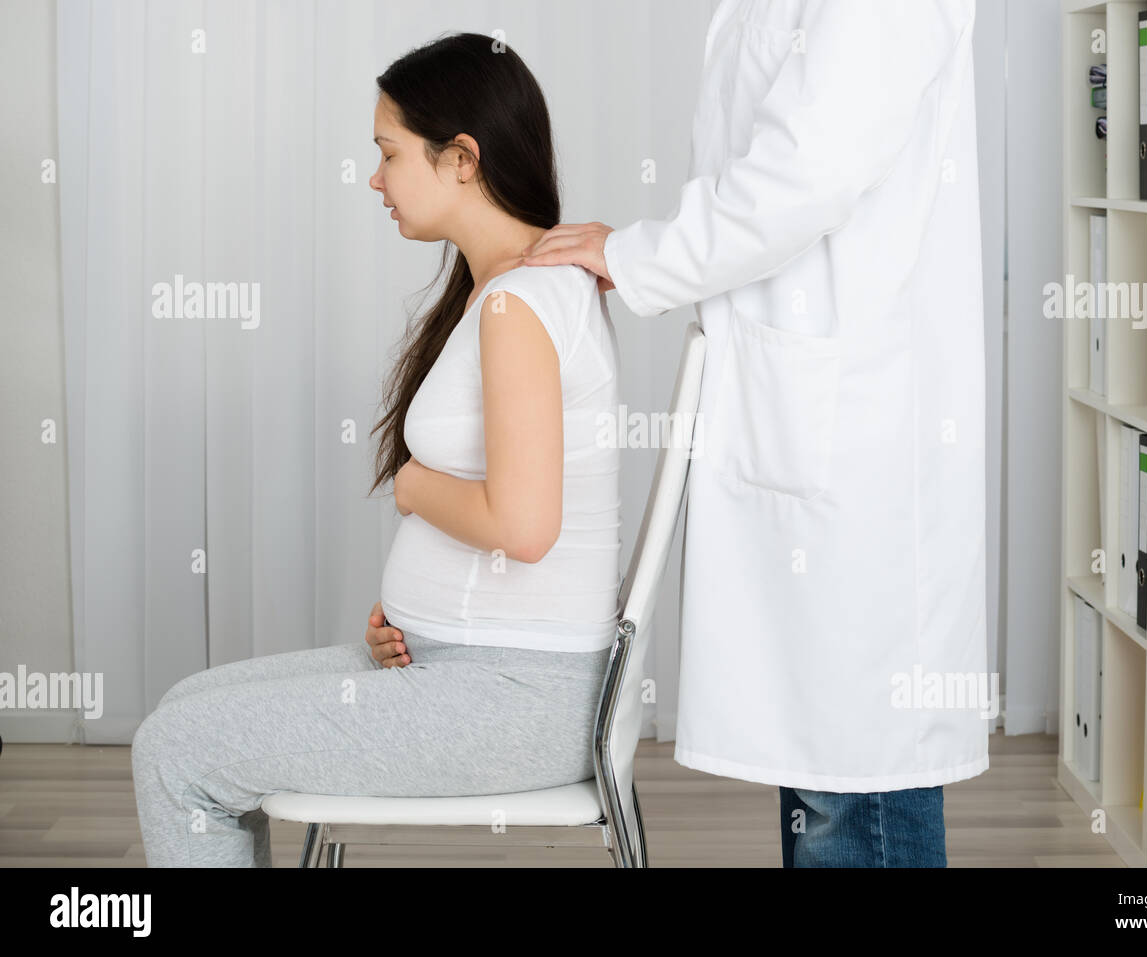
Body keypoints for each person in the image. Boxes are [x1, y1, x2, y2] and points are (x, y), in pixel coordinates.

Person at [516, 0, 990, 867]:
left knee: (854, 781)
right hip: (805, 412)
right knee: (820, 769)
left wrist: (638, 255)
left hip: (858, 440)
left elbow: (809, 168)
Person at [130, 33, 622, 866]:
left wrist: (410, 489)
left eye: (389, 154)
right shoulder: (510, 291)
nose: (375, 178)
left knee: (178, 750)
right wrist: (419, 619)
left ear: (461, 158)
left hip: (509, 700)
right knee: (184, 708)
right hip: (473, 672)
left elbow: (525, 523)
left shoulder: (521, 306)